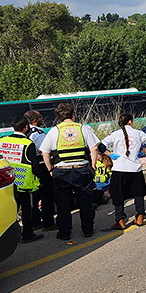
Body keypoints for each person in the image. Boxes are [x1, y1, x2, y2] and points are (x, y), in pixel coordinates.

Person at [40, 103, 99, 240]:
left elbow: (45, 152)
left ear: (59, 117)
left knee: (63, 204)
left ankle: (65, 233)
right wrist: (94, 165)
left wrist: (50, 170)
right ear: (73, 115)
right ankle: (88, 230)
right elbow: (94, 148)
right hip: (82, 170)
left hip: (61, 172)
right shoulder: (82, 128)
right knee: (85, 201)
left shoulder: (54, 131)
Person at [101, 113, 146, 229]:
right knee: (138, 194)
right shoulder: (139, 133)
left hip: (119, 169)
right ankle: (140, 216)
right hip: (135, 169)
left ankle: (120, 220)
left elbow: (101, 146)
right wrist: (142, 152)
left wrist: (111, 155)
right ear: (130, 121)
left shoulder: (115, 134)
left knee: (118, 195)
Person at [0, 115, 44, 243]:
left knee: (12, 210)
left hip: (9, 182)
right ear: (26, 127)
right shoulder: (28, 143)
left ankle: (9, 236)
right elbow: (35, 166)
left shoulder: (2, 140)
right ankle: (27, 234)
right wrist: (40, 180)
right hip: (25, 183)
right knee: (26, 210)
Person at [24, 109, 56, 231]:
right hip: (41, 167)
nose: (42, 120)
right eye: (40, 118)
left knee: (33, 197)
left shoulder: (23, 132)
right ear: (35, 121)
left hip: (28, 169)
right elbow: (45, 150)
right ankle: (48, 223)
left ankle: (35, 222)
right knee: (47, 195)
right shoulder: (38, 133)